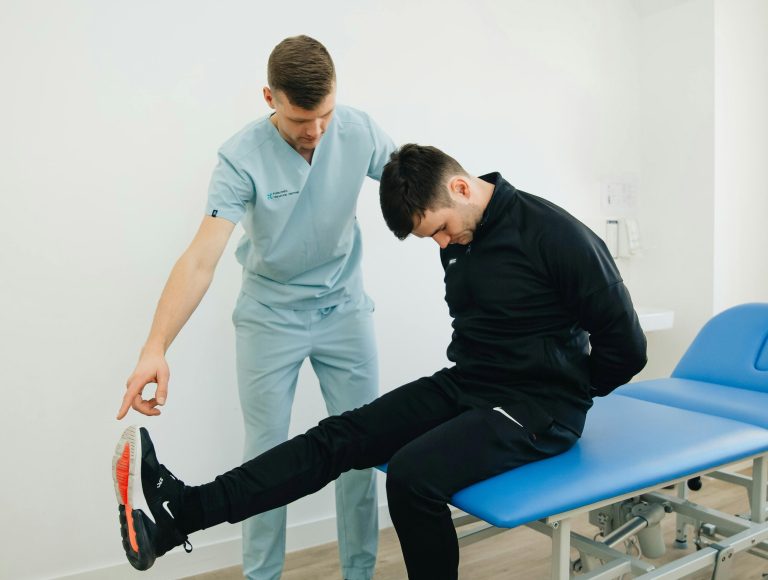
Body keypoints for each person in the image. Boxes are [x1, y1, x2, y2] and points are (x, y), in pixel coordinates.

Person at [113, 144, 647, 579]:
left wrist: (562, 391)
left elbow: (628, 348)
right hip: (471, 383)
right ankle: (179, 515)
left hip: (539, 406)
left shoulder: (557, 235)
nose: (442, 243)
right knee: (338, 436)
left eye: (441, 229)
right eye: (432, 237)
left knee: (412, 476)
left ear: (461, 188)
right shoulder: (460, 234)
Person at [115, 36, 395, 580]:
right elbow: (201, 259)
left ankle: (360, 573)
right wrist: (155, 347)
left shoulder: (358, 130)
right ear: (270, 98)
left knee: (363, 450)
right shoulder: (241, 157)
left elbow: (420, 182)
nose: (316, 131)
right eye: (300, 120)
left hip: (344, 310)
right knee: (266, 461)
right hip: (271, 318)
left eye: (325, 114)